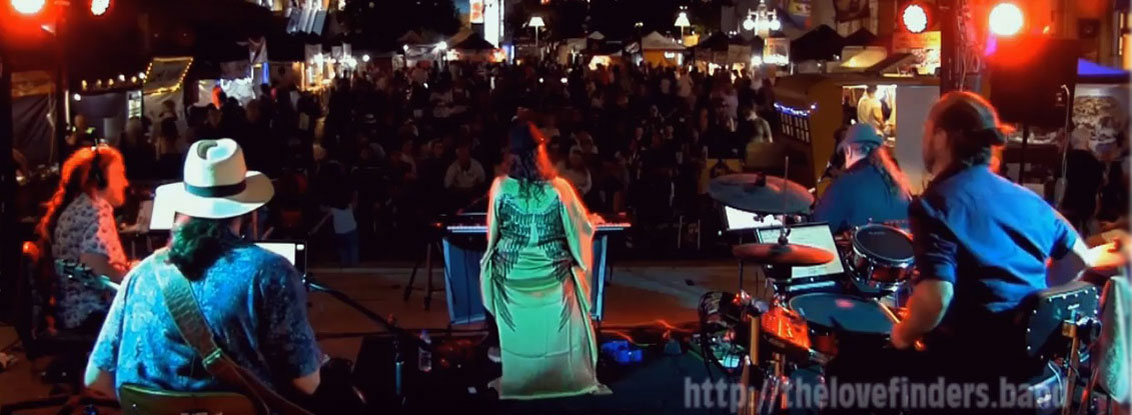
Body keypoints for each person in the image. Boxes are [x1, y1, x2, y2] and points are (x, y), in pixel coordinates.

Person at [889, 92, 1092, 407]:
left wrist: (902, 334)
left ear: (942, 137)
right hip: (1029, 375)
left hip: (968, 378)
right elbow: (1081, 257)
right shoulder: (1028, 199)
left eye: (927, 131)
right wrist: (1035, 299)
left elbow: (936, 298)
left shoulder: (935, 204)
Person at [85, 138, 323, 400]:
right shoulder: (269, 272)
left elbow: (96, 377)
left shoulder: (142, 274)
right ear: (246, 210)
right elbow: (307, 382)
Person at [480, 122, 610, 399]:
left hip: (512, 278)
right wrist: (590, 223)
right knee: (572, 278)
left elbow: (493, 234)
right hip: (553, 276)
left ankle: (510, 360)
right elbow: (578, 227)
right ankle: (564, 374)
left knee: (493, 272)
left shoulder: (500, 187)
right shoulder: (559, 189)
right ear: (540, 153)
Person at [35, 145, 129, 332]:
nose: (125, 183)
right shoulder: (96, 209)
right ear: (99, 180)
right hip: (92, 316)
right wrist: (132, 275)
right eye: (120, 174)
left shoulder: (77, 207)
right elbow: (95, 270)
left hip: (71, 314)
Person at [811, 123, 911, 234]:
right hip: (902, 244)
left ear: (849, 150)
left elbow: (817, 230)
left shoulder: (844, 185)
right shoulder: (898, 181)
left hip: (866, 245)